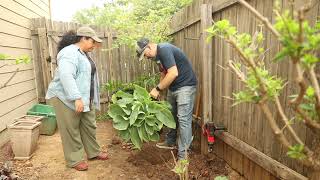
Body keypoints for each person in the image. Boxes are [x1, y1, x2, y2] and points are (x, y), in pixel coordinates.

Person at [46, 27, 108, 171]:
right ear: (83, 38)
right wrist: (77, 98)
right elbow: (66, 76)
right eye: (93, 41)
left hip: (84, 98)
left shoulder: (84, 54)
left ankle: (93, 152)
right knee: (71, 129)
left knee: (89, 125)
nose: (94, 45)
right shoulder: (68, 53)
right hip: (65, 98)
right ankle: (74, 159)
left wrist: (87, 99)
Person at [136, 38, 197, 160]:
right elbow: (164, 73)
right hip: (174, 88)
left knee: (183, 119)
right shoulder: (158, 57)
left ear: (149, 47)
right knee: (170, 115)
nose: (147, 57)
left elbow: (173, 73)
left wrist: (157, 89)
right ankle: (170, 141)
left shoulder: (164, 49)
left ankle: (183, 156)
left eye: (145, 54)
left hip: (185, 86)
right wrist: (160, 90)